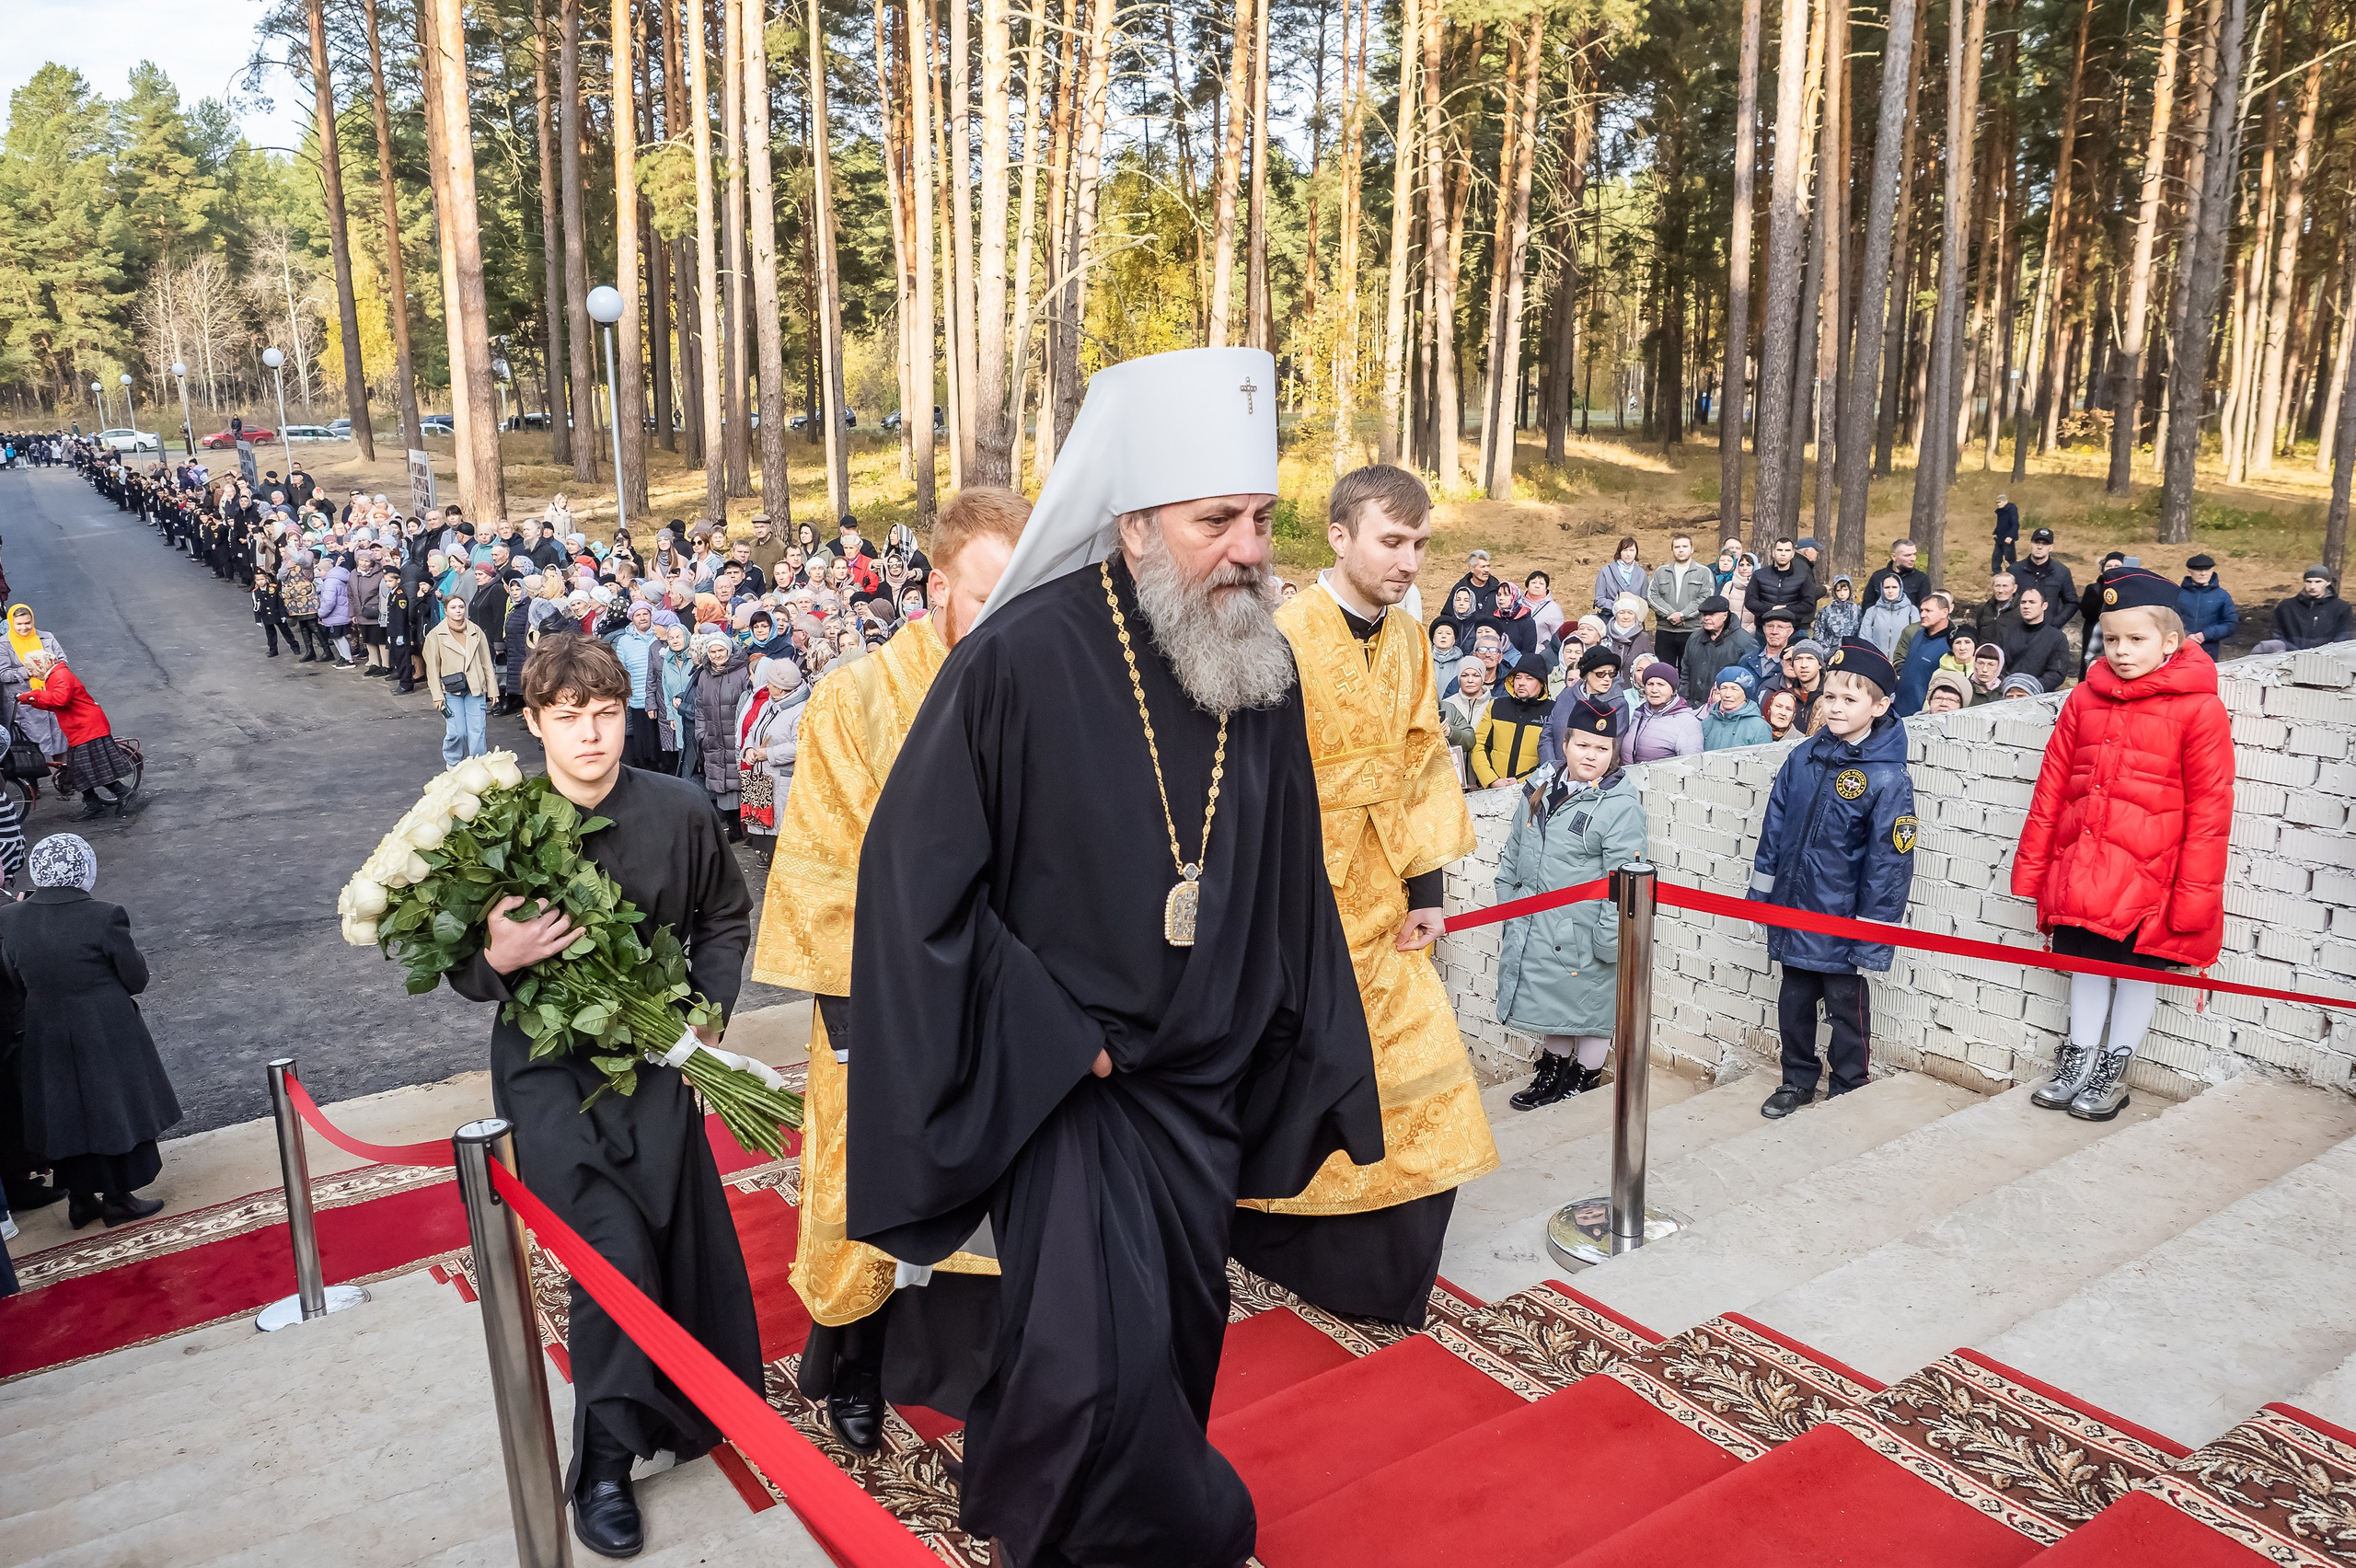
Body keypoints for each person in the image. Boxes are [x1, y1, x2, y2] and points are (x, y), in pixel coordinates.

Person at [841, 348, 1382, 1568]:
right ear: (1134, 526)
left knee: (1173, 1347)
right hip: (1072, 1087)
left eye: (1260, 517)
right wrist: (1051, 1031)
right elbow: (910, 883)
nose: (1249, 550)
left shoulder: (1259, 658)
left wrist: (1288, 1036)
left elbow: (1286, 863)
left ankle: (1133, 1527)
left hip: (1202, 1082)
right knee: (1090, 1368)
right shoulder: (1020, 659)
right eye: (1214, 522)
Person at [446, 638, 761, 1559]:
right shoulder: (491, 827)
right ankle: (602, 1465)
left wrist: (702, 1022)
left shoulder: (681, 807)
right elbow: (453, 958)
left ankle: (673, 1407)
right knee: (613, 1260)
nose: (591, 733)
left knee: (670, 1241)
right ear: (535, 721)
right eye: (570, 716)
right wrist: (494, 961)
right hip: (551, 1084)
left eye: (606, 712)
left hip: (661, 1070)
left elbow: (724, 920)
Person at [750, 488, 1026, 1450]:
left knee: (1002, 1194)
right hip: (888, 1006)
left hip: (1009, 1004)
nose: (1011, 620)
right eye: (991, 597)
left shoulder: (1040, 690)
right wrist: (858, 1028)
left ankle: (987, 1371)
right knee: (865, 1189)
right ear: (938, 587)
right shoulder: (857, 697)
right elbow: (824, 865)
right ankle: (858, 1365)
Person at [1237, 464, 1497, 1329]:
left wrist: (1427, 883)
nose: (1411, 561)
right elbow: (1244, 787)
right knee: (1302, 1071)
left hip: (1386, 895)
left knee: (1425, 1073)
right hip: (1295, 896)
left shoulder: (1412, 641)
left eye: (1421, 543)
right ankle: (1278, 1233)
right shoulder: (1278, 636)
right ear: (1340, 537)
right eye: (1394, 541)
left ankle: (1387, 1275)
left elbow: (1426, 762)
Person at [2012, 567, 2233, 1123]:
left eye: (2137, 639)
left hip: (2152, 877)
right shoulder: (2085, 700)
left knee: (2135, 972)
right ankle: (2080, 1054)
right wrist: (2035, 867)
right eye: (2112, 638)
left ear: (2170, 642)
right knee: (2087, 965)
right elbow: (2052, 788)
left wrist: (2193, 898)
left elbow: (2211, 810)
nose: (2122, 651)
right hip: (2085, 866)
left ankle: (2115, 1065)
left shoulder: (2198, 708)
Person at [1750, 640, 1917, 1119]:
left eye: (1851, 699)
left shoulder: (1887, 777)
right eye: (1830, 696)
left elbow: (1889, 862)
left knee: (1846, 1006)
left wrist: (1870, 929)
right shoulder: (1803, 757)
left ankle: (1848, 1083)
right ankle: (1796, 1078)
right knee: (1794, 999)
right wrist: (1762, 897)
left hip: (1843, 917)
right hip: (1795, 906)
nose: (1836, 707)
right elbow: (1775, 827)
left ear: (1880, 705)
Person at [1, 835, 179, 1228]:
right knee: (114, 1108)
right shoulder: (103, 914)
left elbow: (15, 978)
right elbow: (135, 979)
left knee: (65, 1113)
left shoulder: (10, 918)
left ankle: (80, 1200)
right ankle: (119, 1198)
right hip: (104, 1027)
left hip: (44, 1027)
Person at [1498, 696, 1648, 1110]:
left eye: (1602, 749)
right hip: (1542, 921)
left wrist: (1610, 938)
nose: (1592, 755)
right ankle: (1552, 1071)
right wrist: (1509, 903)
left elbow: (1625, 880)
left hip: (1587, 927)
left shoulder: (1620, 806)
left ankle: (1583, 1078)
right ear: (1565, 745)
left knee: (1592, 1006)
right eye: (1583, 745)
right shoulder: (1541, 788)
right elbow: (1513, 852)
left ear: (1614, 753)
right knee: (1553, 1001)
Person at [18, 654, 134, 820]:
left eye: (31, 669)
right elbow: (56, 704)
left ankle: (124, 793)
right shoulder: (53, 675)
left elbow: (60, 700)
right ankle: (93, 804)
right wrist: (31, 701)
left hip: (87, 727)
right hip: (79, 729)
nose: (30, 673)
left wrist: (33, 695)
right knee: (77, 770)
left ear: (40, 664)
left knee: (90, 768)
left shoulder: (60, 675)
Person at [422, 593, 496, 767]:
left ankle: (478, 766)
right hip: (451, 690)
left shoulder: (475, 631)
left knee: (477, 731)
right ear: (445, 610)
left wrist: (493, 690)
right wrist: (437, 695)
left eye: (461, 607)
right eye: (453, 608)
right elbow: (432, 669)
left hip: (475, 687)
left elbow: (486, 661)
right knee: (457, 732)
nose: (458, 611)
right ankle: (453, 765)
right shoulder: (435, 635)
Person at [690, 637, 752, 837]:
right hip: (714, 738)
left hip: (736, 738)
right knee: (723, 785)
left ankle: (748, 829)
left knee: (741, 783)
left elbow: (748, 705)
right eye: (713, 652)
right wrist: (701, 734)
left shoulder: (742, 672)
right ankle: (734, 828)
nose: (717, 656)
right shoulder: (705, 675)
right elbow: (699, 707)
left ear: (728, 650)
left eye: (721, 651)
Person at [2, 605, 68, 767]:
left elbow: (63, 662)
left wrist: (49, 667)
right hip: (26, 703)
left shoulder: (47, 638)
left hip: (51, 696)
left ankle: (64, 776)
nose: (24, 627)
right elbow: (3, 673)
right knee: (32, 745)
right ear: (11, 623)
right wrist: (30, 671)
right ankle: (33, 786)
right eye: (19, 624)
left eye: (27, 623)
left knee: (59, 737)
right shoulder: (4, 644)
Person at [1472, 662, 1553, 788]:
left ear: (1542, 683)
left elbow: (1553, 759)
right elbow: (1479, 745)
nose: (1521, 682)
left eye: (1529, 678)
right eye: (1518, 677)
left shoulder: (1553, 711)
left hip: (1532, 790)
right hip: (1493, 788)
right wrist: (1491, 780)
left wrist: (1521, 781)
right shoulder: (1496, 706)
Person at [1647, 533, 1713, 669]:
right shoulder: (1661, 571)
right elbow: (1652, 596)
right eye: (1677, 547)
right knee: (1663, 672)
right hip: (1665, 630)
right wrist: (1670, 614)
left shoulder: (1703, 572)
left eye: (1684, 546)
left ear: (1692, 549)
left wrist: (1683, 615)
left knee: (1690, 672)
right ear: (1672, 550)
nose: (1681, 550)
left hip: (1692, 631)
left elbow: (1706, 597)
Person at [1679, 594, 1755, 705]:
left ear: (1725, 615)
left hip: (1727, 709)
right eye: (1704, 615)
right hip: (1693, 707)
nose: (1706, 618)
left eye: (1711, 614)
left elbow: (1749, 681)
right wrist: (1684, 701)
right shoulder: (1694, 638)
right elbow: (1685, 672)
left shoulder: (1744, 642)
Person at [1890, 592, 1958, 717]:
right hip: (1899, 708)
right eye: (1921, 610)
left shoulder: (1951, 644)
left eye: (1928, 611)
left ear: (1944, 612)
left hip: (1923, 714)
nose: (1922, 615)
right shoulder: (1918, 634)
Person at [1623, 661, 1703, 764]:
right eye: (1650, 684)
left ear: (1673, 689)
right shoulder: (1639, 714)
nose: (1654, 690)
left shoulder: (1687, 722)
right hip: (1629, 778)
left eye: (1661, 685)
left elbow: (1691, 767)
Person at [2262, 564, 2354, 651]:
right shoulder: (2286, 607)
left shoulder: (2342, 607)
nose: (2312, 586)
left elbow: (2343, 638)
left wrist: (2323, 653)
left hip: (2327, 659)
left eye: (2318, 582)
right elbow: (2277, 636)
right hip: (2289, 658)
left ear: (2328, 583)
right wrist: (2294, 652)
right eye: (2308, 581)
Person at [2001, 586, 2073, 695]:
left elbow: (2057, 673)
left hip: (2040, 696)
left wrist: (2031, 688)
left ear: (2044, 606)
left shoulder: (2057, 638)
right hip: (2009, 694)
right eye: (2023, 602)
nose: (2026, 606)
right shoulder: (2006, 633)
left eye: (2032, 602)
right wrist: (2010, 687)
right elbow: (1999, 666)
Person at [1745, 536, 1820, 632]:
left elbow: (1808, 604)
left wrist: (1786, 611)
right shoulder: (1759, 575)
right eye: (1780, 550)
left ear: (1792, 554)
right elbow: (1750, 601)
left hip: (1792, 630)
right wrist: (1771, 609)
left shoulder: (1803, 576)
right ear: (1773, 552)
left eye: (1787, 551)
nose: (1783, 554)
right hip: (1764, 630)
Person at [2013, 528, 2080, 628]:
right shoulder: (2014, 570)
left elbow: (2072, 602)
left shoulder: (2062, 572)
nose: (2040, 547)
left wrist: (2055, 623)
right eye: (2037, 542)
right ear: (2031, 544)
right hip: (2017, 628)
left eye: (2045, 544)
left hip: (2048, 630)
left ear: (2051, 547)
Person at [2177, 554, 2239, 659]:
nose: (2203, 573)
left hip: (2209, 651)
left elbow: (2230, 624)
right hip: (2180, 650)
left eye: (2207, 569)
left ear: (2212, 570)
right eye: (2198, 570)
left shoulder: (2222, 596)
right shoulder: (2177, 594)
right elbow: (2167, 620)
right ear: (2189, 571)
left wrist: (2205, 634)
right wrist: (2186, 635)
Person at [1703, 666, 1773, 749]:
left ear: (1745, 695)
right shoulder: (1706, 723)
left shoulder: (1759, 727)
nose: (1727, 694)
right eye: (1724, 688)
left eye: (1734, 689)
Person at [1858, 571, 1921, 658]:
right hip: (1877, 661)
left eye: (1894, 587)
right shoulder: (1872, 611)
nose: (1890, 591)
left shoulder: (1911, 611)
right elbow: (1864, 639)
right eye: (1887, 587)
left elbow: (1916, 638)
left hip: (1901, 662)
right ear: (1881, 589)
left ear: (1900, 588)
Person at [1441, 658, 1489, 756]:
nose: (1470, 680)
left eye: (1476, 675)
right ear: (1458, 679)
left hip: (1483, 767)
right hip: (1453, 768)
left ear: (1483, 679)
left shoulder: (1494, 705)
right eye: (1464, 675)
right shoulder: (1446, 704)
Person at [1865, 538, 1931, 608]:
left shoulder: (1921, 579)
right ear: (1894, 557)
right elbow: (1867, 605)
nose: (1913, 559)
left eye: (1914, 554)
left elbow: (1923, 608)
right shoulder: (1877, 577)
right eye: (1907, 555)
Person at [1593, 536, 1647, 617]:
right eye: (1625, 550)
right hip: (1610, 618)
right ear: (1620, 552)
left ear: (1636, 552)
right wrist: (1618, 606)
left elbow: (1644, 600)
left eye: (1632, 550)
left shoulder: (1641, 573)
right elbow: (1599, 599)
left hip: (1634, 620)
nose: (1628, 554)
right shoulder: (1606, 571)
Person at [1452, 548, 1507, 618]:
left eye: (1488, 566)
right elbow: (1448, 614)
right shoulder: (1460, 588)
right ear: (1472, 569)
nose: (1487, 570)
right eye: (1483, 567)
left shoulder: (1496, 587)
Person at [1815, 573, 1862, 644]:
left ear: (1850, 590)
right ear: (1834, 592)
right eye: (1838, 590)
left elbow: (1862, 633)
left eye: (1845, 590)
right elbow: (1819, 633)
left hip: (1852, 650)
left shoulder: (1858, 610)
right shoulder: (1826, 611)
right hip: (1830, 651)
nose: (1842, 593)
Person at [1429, 619, 1466, 698]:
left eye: (1448, 633)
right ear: (1433, 639)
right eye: (1439, 633)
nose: (1443, 636)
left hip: (1452, 706)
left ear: (1454, 640)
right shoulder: (1424, 660)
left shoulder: (1462, 663)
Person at [1992, 495, 2020, 573]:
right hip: (2000, 538)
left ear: (2005, 501)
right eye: (1997, 503)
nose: (1998, 504)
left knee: (2010, 557)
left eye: (1999, 502)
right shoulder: (2000, 510)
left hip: (2008, 538)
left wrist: (2010, 536)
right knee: (1996, 556)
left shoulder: (2011, 509)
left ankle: (2015, 572)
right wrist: (1995, 532)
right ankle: (1996, 572)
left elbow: (2015, 524)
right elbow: (2000, 524)